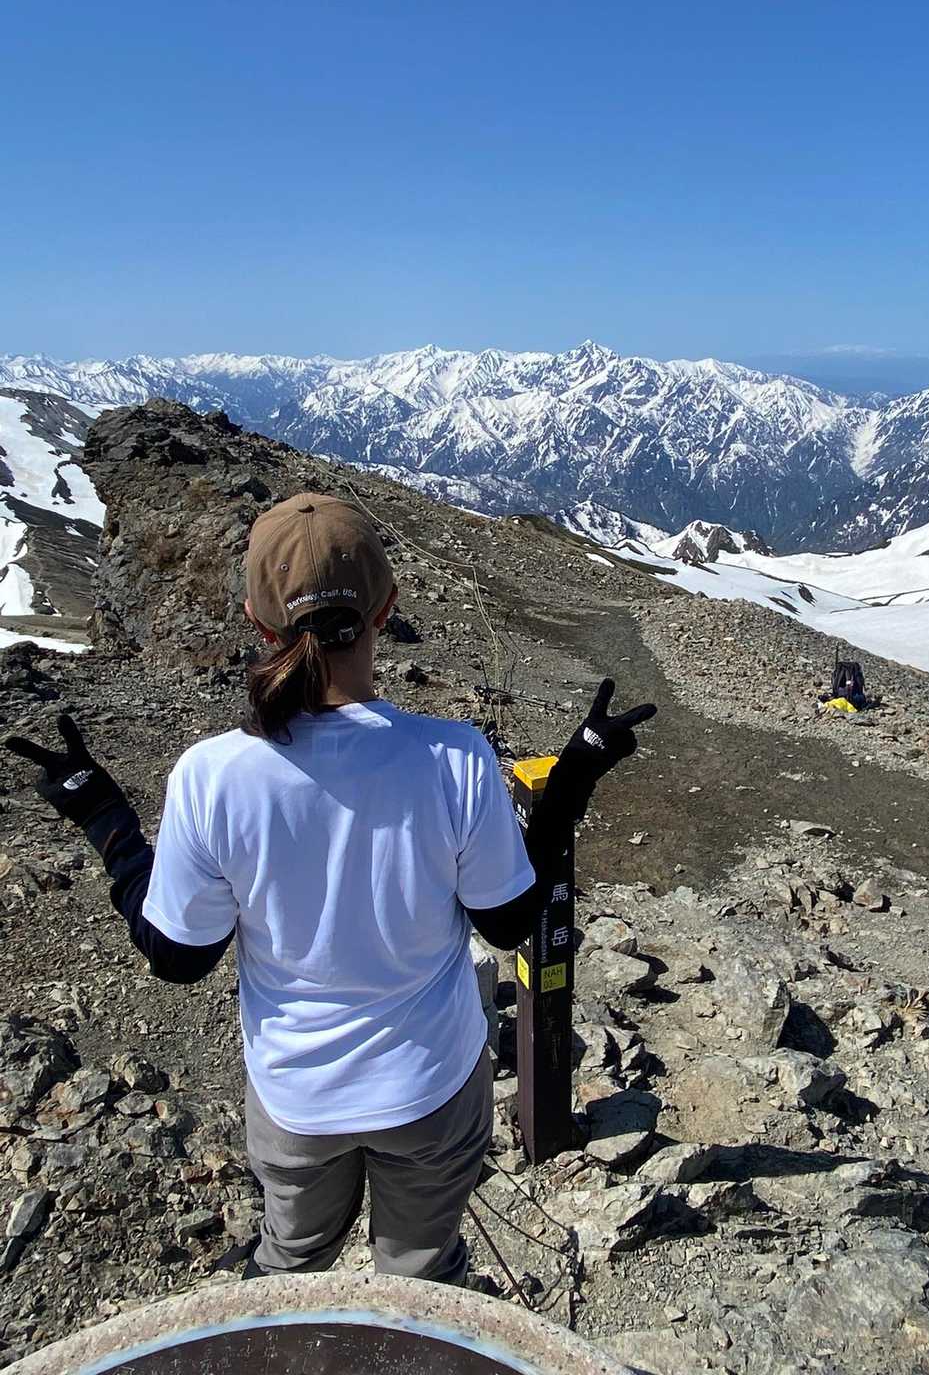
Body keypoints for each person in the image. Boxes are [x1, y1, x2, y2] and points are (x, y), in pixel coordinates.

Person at [5, 492, 656, 1284]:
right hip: (430, 1086)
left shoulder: (213, 777)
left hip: (298, 1100)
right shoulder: (455, 758)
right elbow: (509, 921)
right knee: (420, 1277)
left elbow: (178, 956)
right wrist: (575, 772)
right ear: (386, 608)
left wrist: (103, 814)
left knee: (292, 1266)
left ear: (258, 621)